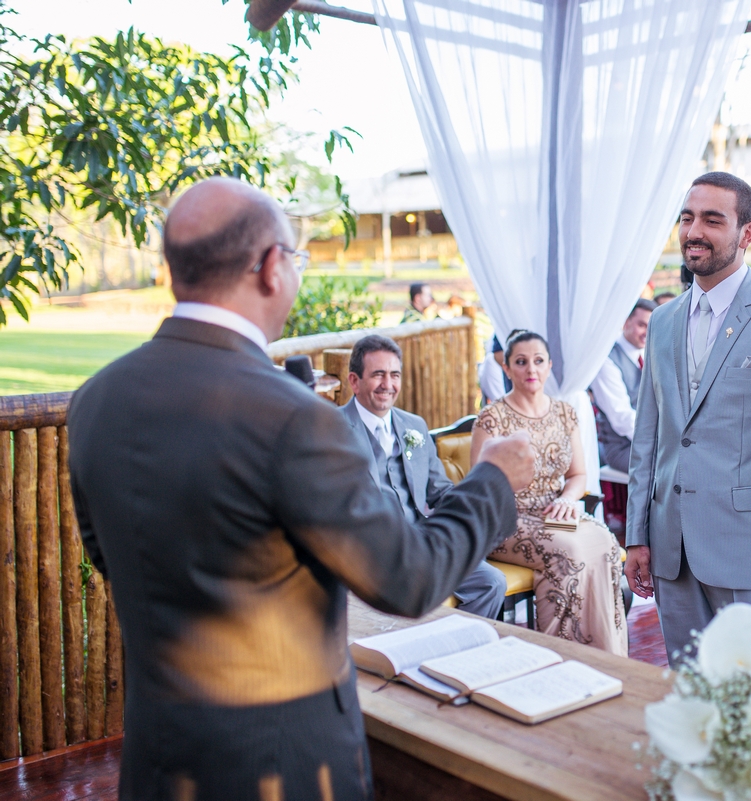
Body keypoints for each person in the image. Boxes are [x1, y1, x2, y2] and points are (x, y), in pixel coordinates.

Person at [67, 178, 534, 801]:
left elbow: (109, 555)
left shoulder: (96, 399)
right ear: (270, 267)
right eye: (296, 258)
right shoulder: (295, 418)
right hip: (281, 764)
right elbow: (409, 578)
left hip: (158, 754)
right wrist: (492, 480)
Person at [625, 171, 751, 668]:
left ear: (747, 233)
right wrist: (637, 534)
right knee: (690, 689)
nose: (694, 231)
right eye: (687, 218)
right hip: (672, 550)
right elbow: (648, 437)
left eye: (712, 220)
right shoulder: (663, 321)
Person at [471, 330, 629, 656]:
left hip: (556, 511)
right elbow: (480, 485)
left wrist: (568, 499)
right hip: (506, 519)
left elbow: (579, 475)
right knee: (568, 551)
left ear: (549, 366)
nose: (531, 368)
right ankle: (562, 655)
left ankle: (605, 655)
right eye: (521, 362)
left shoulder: (564, 413)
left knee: (606, 543)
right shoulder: (492, 418)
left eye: (538, 361)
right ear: (506, 368)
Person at [341, 334, 507, 619]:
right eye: (378, 374)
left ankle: (456, 645)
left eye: (394, 375)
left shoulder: (414, 425)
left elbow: (440, 490)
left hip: (424, 541)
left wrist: (471, 514)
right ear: (354, 381)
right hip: (372, 550)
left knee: (491, 582)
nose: (388, 384)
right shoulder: (333, 429)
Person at [590, 299, 653, 473]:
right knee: (673, 469)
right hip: (623, 447)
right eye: (641, 325)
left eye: (651, 326)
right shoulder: (607, 360)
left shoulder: (650, 352)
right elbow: (621, 417)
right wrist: (659, 441)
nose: (647, 332)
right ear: (626, 322)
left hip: (653, 440)